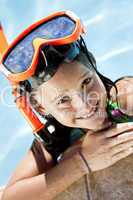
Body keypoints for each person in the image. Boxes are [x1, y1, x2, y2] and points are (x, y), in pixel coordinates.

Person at [1, 10, 133, 200]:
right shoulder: (56, 137)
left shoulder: (122, 99)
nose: (85, 105)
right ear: (41, 108)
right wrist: (82, 161)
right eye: (63, 100)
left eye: (87, 82)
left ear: (93, 64)